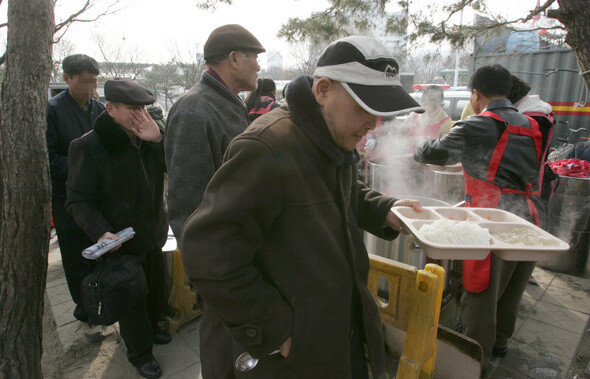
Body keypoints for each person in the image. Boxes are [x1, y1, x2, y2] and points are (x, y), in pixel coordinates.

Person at [181, 35, 423, 378]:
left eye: (380, 113)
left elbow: (336, 190)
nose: (373, 124)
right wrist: (276, 328)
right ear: (323, 90)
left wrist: (383, 209)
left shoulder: (331, 137)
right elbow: (207, 253)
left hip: (332, 326)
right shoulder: (267, 147)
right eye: (365, 108)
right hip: (284, 351)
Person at [414, 64, 547, 368]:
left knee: (481, 294)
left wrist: (417, 149)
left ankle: (473, 361)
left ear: (475, 94)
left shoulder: (478, 124)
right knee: (512, 287)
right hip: (528, 216)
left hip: (492, 217)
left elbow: (437, 152)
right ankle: (499, 347)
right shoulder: (530, 124)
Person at [66, 78, 169, 378]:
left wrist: (158, 140)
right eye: (132, 108)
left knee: (154, 291)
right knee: (131, 301)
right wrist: (101, 231)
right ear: (110, 109)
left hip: (153, 233)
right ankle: (140, 354)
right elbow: (78, 200)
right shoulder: (87, 146)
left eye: (144, 108)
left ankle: (155, 327)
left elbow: (171, 169)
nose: (141, 115)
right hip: (120, 242)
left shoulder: (148, 136)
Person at [165, 24, 265, 239]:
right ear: (235, 59)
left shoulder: (222, 101)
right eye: (256, 58)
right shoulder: (194, 110)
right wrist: (212, 267)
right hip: (219, 260)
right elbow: (188, 205)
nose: (258, 67)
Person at [46, 54, 106, 340]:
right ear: (67, 78)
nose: (91, 87)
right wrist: (85, 164)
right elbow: (48, 160)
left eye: (95, 81)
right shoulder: (52, 110)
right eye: (85, 81)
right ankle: (86, 314)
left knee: (101, 253)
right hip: (68, 198)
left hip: (98, 198)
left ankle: (104, 305)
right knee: (75, 258)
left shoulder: (99, 108)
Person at [400, 84, 453, 149]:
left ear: (437, 103)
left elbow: (445, 147)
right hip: (410, 156)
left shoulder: (446, 122)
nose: (423, 105)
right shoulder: (416, 114)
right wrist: (402, 129)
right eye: (423, 101)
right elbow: (403, 129)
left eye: (427, 102)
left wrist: (426, 143)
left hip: (429, 158)